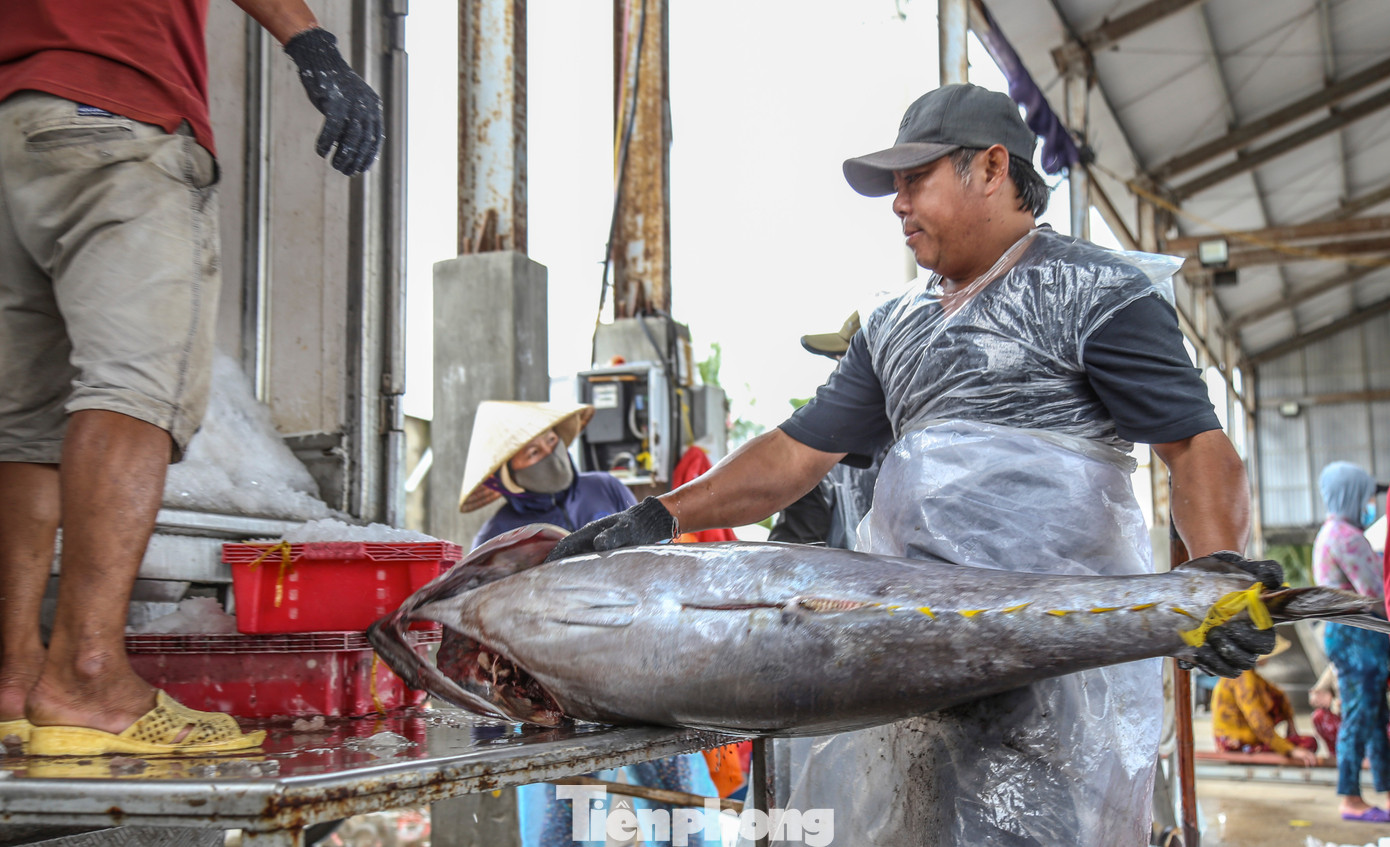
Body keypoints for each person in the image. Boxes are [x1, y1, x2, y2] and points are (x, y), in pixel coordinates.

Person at [547, 83, 1280, 845]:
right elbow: (796, 452)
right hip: (914, 663)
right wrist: (662, 513)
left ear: (992, 168)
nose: (898, 205)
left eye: (914, 179)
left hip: (1058, 672)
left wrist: (1216, 570)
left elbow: (1195, 446)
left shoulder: (1096, 292)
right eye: (894, 187)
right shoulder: (894, 326)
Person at [0, 0, 381, 755]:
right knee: (134, 391)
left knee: (23, 427)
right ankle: (87, 674)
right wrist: (312, 43)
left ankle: (11, 675)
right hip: (116, 108)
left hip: (13, 122)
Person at [456, 400, 718, 847]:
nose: (549, 454)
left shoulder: (606, 490)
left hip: (641, 679)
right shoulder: (497, 540)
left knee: (680, 809)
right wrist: (491, 728)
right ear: (504, 474)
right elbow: (481, 638)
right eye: (531, 453)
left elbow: (656, 564)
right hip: (560, 699)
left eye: (550, 441)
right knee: (564, 825)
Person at [1313, 461, 1390, 822]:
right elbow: (1376, 592)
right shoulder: (1346, 536)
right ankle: (1350, 798)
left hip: (1349, 633)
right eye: (1366, 495)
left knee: (1374, 716)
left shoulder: (1330, 532)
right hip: (1359, 633)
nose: (1369, 502)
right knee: (1360, 715)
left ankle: (1384, 791)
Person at [768, 311, 882, 550]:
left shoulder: (820, 462)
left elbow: (789, 564)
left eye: (845, 360)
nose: (838, 374)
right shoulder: (942, 447)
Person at [1211, 635, 1319, 765]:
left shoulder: (1250, 675)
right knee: (1308, 743)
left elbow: (1279, 695)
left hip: (1244, 739)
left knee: (1305, 742)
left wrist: (1290, 724)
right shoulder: (1244, 678)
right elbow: (1258, 722)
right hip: (1237, 744)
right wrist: (1290, 750)